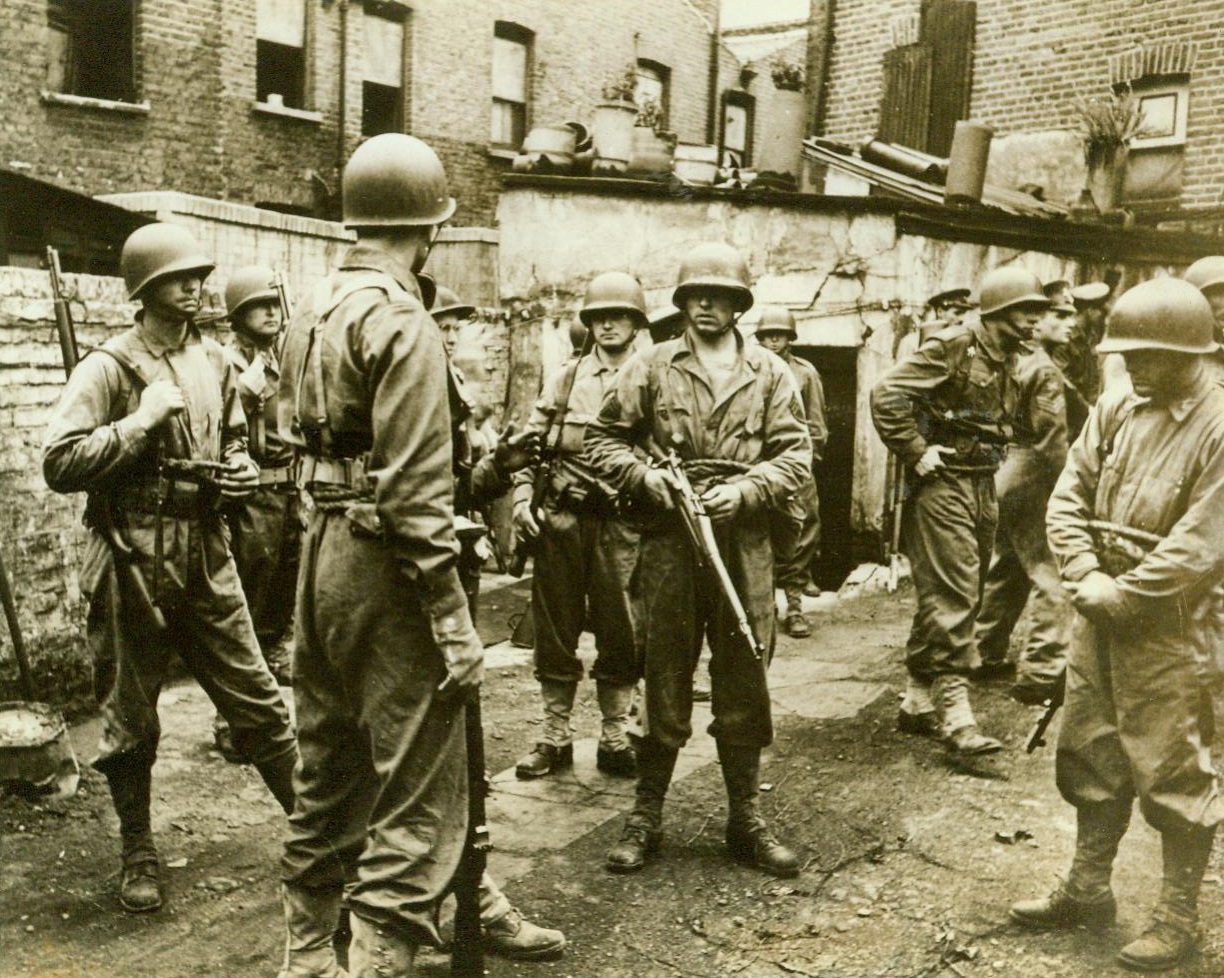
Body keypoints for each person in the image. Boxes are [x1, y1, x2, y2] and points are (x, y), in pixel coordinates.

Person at [41, 222, 298, 914]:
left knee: (260, 696)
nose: (196, 286)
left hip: (206, 550)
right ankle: (137, 851)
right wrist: (140, 422)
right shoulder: (109, 367)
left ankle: (316, 835)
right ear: (148, 288)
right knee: (131, 719)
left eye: (198, 276)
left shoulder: (214, 359)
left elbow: (236, 440)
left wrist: (239, 470)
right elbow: (58, 461)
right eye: (181, 277)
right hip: (131, 555)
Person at [275, 133, 484, 978]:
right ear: (428, 227)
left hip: (321, 553)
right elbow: (414, 496)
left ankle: (305, 961)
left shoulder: (312, 307)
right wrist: (452, 619)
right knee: (415, 788)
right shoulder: (403, 319)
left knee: (326, 768)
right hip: (388, 567)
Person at [1010, 278, 1224, 972]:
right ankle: (1087, 886)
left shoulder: (1219, 423)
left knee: (1172, 770)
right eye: (1124, 352)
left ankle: (1178, 915)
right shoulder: (1115, 405)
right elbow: (1067, 494)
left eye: (1145, 354)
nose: (1130, 365)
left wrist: (1126, 591)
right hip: (1098, 607)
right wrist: (1084, 575)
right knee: (1090, 750)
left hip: (1172, 623)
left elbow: (1204, 540)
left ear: (1187, 351)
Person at [586, 242, 811, 879]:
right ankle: (645, 816)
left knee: (744, 673)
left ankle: (745, 819)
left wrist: (746, 489)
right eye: (695, 295)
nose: (706, 304)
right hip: (670, 539)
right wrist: (643, 479)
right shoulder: (651, 366)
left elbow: (796, 456)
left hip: (744, 543)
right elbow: (600, 439)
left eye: (719, 295)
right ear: (681, 301)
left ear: (740, 303)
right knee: (663, 675)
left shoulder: (769, 372)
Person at [432, 284, 568, 963]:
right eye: (446, 325)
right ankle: (429, 906)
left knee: (459, 752)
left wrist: (497, 468)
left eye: (458, 325)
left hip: (446, 583)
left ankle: (468, 901)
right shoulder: (396, 386)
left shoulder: (447, 388)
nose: (458, 336)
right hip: (410, 592)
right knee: (430, 755)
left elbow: (457, 483)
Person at [871, 266, 1049, 756]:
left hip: (982, 482)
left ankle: (915, 701)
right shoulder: (953, 346)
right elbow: (886, 393)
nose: (1036, 321)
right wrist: (914, 449)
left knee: (960, 590)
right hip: (942, 483)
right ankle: (956, 713)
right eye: (1027, 312)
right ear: (998, 313)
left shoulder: (1013, 357)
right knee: (953, 591)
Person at [512, 272, 645, 781]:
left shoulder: (650, 376)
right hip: (563, 520)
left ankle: (614, 734)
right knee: (555, 629)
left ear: (636, 322)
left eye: (619, 316)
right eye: (599, 316)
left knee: (622, 629)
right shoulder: (566, 379)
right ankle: (555, 734)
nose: (608, 324)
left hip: (622, 522)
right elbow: (532, 444)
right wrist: (524, 498)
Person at [973, 280, 1084, 705]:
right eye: (1059, 314)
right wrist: (1067, 495)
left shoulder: (1013, 362)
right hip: (1035, 475)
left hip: (1004, 476)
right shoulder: (1043, 369)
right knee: (1053, 572)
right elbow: (1052, 441)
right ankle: (1042, 671)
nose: (1068, 323)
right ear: (1034, 325)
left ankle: (981, 650)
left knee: (1008, 568)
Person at [211, 265, 298, 761]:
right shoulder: (227, 362)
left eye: (273, 304)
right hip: (249, 501)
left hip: (288, 498)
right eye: (258, 306)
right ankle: (230, 719)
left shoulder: (280, 357)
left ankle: (264, 715)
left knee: (279, 604)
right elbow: (216, 416)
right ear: (238, 316)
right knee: (243, 609)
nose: (270, 312)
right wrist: (247, 387)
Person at [754, 306, 828, 637]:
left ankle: (795, 607)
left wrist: (806, 462)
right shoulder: (749, 368)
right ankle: (766, 605)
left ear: (789, 338)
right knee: (760, 533)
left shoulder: (805, 373)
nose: (773, 340)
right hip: (759, 467)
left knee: (801, 532)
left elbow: (816, 423)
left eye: (779, 335)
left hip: (795, 464)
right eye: (768, 334)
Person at [895, 287, 975, 360]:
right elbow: (900, 374)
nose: (962, 319)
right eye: (957, 313)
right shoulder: (912, 342)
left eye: (964, 314)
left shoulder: (963, 344)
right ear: (940, 312)